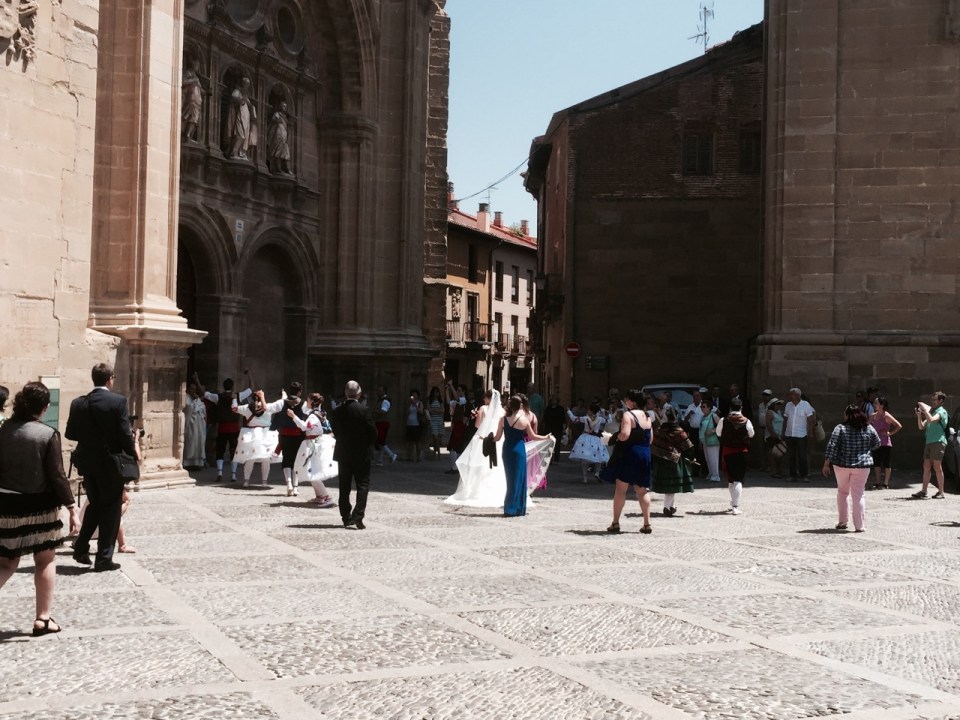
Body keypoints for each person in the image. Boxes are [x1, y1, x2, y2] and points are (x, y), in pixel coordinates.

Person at [0, 382, 80, 636]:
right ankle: (43, 618)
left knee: (6, 563)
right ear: (45, 407)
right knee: (45, 560)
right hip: (40, 507)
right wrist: (71, 506)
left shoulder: (4, 430)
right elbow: (57, 475)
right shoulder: (47, 434)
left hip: (6, 504)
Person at [66, 363, 139, 572]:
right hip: (111, 464)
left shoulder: (78, 403)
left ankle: (81, 547)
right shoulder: (117, 401)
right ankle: (104, 558)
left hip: (88, 463)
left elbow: (71, 433)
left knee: (96, 505)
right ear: (110, 379)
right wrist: (131, 452)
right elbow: (125, 434)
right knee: (111, 510)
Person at [600, 390, 654, 534]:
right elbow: (650, 439)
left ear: (633, 401)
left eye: (627, 399)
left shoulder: (628, 415)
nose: (625, 401)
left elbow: (624, 435)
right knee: (642, 490)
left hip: (630, 454)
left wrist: (614, 437)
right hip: (645, 454)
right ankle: (647, 523)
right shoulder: (648, 416)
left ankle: (615, 522)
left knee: (621, 489)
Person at [822, 405, 881, 532]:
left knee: (843, 492)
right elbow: (877, 443)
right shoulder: (868, 428)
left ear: (848, 415)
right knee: (858, 495)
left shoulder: (840, 428)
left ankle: (842, 521)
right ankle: (860, 526)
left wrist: (826, 463)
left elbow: (832, 446)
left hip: (842, 464)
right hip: (862, 465)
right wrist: (866, 450)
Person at [491, 395, 551, 517]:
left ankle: (509, 508)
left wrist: (487, 439)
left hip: (507, 450)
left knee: (510, 480)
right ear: (521, 406)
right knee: (519, 479)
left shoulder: (503, 419)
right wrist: (547, 437)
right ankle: (517, 508)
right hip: (519, 450)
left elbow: (496, 438)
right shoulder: (524, 420)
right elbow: (534, 437)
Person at [329, 381, 377, 529]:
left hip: (344, 452)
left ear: (345, 393)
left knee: (344, 486)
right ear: (359, 393)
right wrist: (368, 443)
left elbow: (335, 431)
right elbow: (373, 432)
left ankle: (345, 517)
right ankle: (358, 516)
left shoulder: (337, 411)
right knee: (362, 484)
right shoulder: (364, 410)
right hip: (362, 453)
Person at [198, 370, 253, 482]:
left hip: (222, 427)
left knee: (220, 450)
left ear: (223, 387)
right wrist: (249, 375)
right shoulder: (238, 396)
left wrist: (196, 380)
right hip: (234, 428)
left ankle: (220, 473)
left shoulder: (217, 397)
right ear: (232, 387)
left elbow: (203, 393)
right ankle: (233, 475)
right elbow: (251, 388)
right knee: (234, 451)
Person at [288, 393, 337, 507]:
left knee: (313, 472)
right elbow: (304, 408)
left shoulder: (313, 416)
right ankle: (319, 496)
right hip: (314, 443)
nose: (307, 402)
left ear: (312, 402)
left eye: (308, 400)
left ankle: (326, 496)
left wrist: (293, 416)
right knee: (311, 470)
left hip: (314, 444)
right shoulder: (318, 412)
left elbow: (304, 427)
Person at [650, 406, 696, 516]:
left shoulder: (660, 430)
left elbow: (655, 444)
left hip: (661, 460)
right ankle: (666, 507)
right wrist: (691, 457)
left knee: (671, 486)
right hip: (674, 461)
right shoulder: (678, 430)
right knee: (672, 485)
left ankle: (671, 506)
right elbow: (688, 445)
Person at [235, 390, 282, 487]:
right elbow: (280, 405)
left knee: (250, 459)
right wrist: (284, 396)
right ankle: (264, 482)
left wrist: (234, 399)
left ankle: (246, 481)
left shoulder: (247, 408)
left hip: (252, 434)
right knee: (266, 459)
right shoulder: (268, 407)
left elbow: (234, 408)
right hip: (266, 434)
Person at [716, 398, 754, 515]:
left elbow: (718, 433)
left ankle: (733, 502)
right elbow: (751, 434)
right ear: (741, 407)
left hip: (727, 452)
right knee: (738, 479)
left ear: (730, 408)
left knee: (731, 479)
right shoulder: (746, 421)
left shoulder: (723, 420)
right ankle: (735, 506)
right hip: (742, 452)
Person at [912, 391, 950, 499]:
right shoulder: (931, 411)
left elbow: (932, 420)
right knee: (926, 467)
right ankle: (924, 491)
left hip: (938, 441)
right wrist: (919, 416)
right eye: (932, 399)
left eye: (935, 399)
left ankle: (941, 492)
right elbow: (921, 427)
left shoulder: (941, 412)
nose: (932, 401)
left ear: (941, 401)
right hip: (929, 442)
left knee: (937, 467)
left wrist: (925, 411)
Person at [272, 382, 308, 496]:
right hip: (299, 436)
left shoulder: (282, 402)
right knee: (297, 461)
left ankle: (289, 484)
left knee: (287, 459)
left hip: (285, 435)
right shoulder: (304, 404)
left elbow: (269, 408)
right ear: (300, 391)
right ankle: (296, 487)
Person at [567, 403, 609, 483]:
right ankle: (597, 473)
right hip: (596, 439)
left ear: (592, 411)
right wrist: (607, 414)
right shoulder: (600, 419)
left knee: (584, 458)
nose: (588, 411)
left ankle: (585, 477)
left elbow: (574, 418)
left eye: (589, 410)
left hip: (585, 438)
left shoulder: (585, 418)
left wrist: (569, 411)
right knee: (599, 457)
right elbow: (608, 421)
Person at [868, 397, 902, 490]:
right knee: (877, 463)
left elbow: (899, 425)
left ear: (881, 405)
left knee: (886, 463)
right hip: (875, 443)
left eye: (876, 403)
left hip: (885, 443)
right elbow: (867, 424)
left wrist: (889, 433)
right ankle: (877, 482)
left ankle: (886, 483)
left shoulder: (886, 416)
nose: (874, 405)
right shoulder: (873, 416)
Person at [784, 387, 815, 482]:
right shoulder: (788, 405)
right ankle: (792, 475)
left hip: (801, 434)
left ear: (797, 395)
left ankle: (803, 475)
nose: (789, 396)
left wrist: (810, 432)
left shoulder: (805, 405)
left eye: (791, 394)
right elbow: (785, 418)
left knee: (802, 456)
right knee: (791, 456)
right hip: (790, 434)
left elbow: (810, 419)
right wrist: (783, 432)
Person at [182, 381, 207, 470]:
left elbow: (202, 407)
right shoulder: (185, 397)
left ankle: (197, 463)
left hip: (198, 424)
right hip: (190, 424)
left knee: (198, 442)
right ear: (188, 389)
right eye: (192, 389)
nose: (193, 391)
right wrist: (195, 406)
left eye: (195, 389)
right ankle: (188, 463)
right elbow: (188, 408)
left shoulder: (196, 398)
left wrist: (197, 402)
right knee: (190, 442)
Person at [372, 386, 398, 465]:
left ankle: (392, 455)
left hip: (383, 422)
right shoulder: (380, 400)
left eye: (380, 391)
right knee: (379, 441)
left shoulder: (385, 401)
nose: (378, 392)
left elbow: (384, 411)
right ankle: (380, 461)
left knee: (380, 441)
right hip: (379, 422)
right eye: (377, 390)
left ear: (384, 392)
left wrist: (375, 411)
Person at [699, 399, 722, 482]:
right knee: (708, 459)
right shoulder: (702, 417)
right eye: (701, 407)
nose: (702, 408)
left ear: (709, 408)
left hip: (713, 441)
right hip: (705, 441)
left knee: (713, 459)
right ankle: (711, 473)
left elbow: (721, 425)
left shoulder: (714, 416)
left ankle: (716, 475)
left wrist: (712, 431)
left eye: (704, 407)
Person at [267, 101, 292, 174]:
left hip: (284, 136)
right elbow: (273, 119)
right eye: (284, 106)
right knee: (277, 151)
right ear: (280, 106)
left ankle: (287, 169)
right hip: (278, 135)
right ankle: (278, 169)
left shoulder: (285, 117)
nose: (285, 108)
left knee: (285, 152)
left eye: (286, 107)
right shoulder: (277, 114)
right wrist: (279, 120)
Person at [542, 395, 567, 463]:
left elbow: (563, 419)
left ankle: (556, 459)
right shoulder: (548, 408)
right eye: (552, 399)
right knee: (549, 444)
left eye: (555, 399)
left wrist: (564, 429)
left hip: (558, 428)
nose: (553, 400)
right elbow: (545, 419)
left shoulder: (560, 408)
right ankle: (549, 458)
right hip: (549, 428)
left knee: (557, 444)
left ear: (557, 400)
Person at [765, 398, 786, 478]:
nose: (779, 406)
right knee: (773, 453)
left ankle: (778, 470)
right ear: (773, 405)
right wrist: (773, 434)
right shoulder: (770, 412)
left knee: (779, 453)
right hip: (772, 436)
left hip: (779, 436)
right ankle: (774, 471)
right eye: (777, 404)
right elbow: (768, 423)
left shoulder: (779, 412)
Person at [405, 389, 426, 462]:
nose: (414, 396)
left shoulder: (420, 403)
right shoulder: (410, 404)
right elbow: (407, 413)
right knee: (409, 441)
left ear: (417, 395)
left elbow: (421, 412)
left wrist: (415, 405)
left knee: (417, 441)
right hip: (409, 424)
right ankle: (409, 457)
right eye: (412, 394)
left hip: (417, 424)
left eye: (415, 394)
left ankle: (418, 457)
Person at [426, 386, 445, 459]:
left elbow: (442, 411)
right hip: (432, 421)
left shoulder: (441, 401)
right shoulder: (429, 400)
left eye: (437, 392)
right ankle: (438, 452)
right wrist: (437, 410)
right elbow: (428, 410)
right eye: (434, 391)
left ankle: (435, 453)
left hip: (439, 421)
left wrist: (433, 410)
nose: (436, 393)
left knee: (438, 439)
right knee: (435, 437)